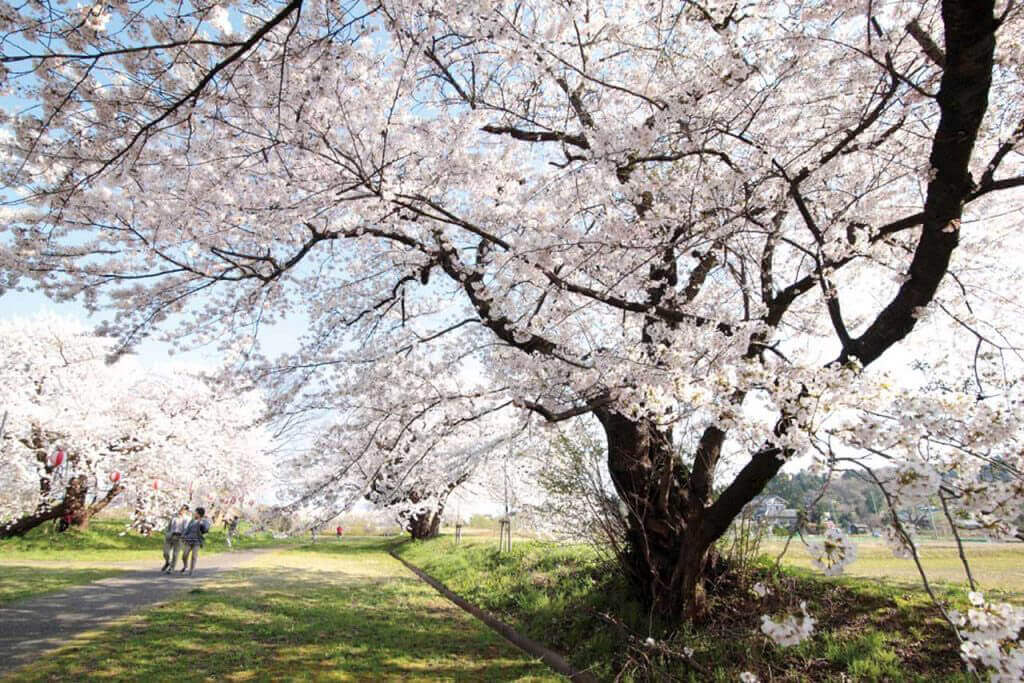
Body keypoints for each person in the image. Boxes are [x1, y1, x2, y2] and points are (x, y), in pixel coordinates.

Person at [180, 506, 211, 576]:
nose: (194, 513)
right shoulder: (192, 520)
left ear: (199, 514)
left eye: (196, 512)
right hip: (189, 540)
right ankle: (185, 565)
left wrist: (202, 524)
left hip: (197, 541)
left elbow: (206, 530)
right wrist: (183, 535)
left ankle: (191, 570)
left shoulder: (204, 521)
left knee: (194, 556)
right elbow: (187, 529)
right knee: (184, 555)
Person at [161, 505, 190, 573]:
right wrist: (167, 533)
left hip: (179, 537)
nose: (181, 510)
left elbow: (186, 529)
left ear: (186, 511)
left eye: (183, 509)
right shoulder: (174, 516)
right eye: (180, 508)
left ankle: (172, 568)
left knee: (175, 554)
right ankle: (167, 562)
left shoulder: (187, 519)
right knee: (166, 553)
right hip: (170, 536)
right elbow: (169, 526)